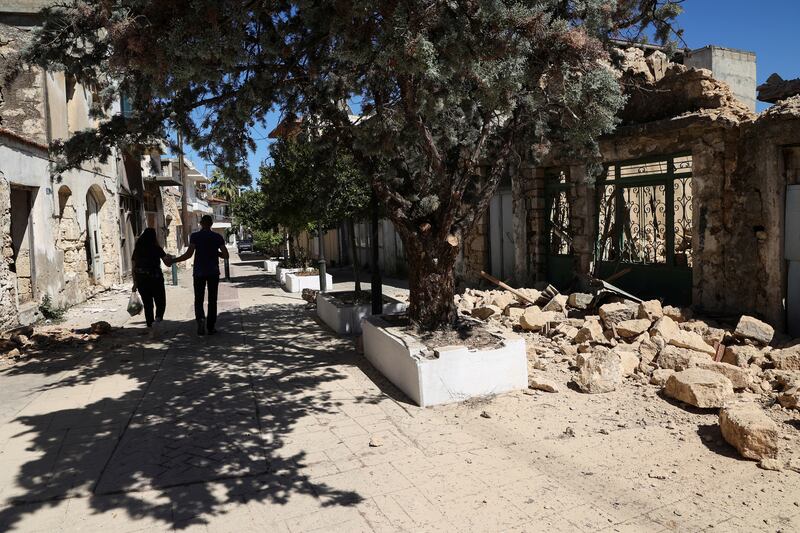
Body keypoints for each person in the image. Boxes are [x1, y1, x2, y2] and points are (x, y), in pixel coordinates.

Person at [172, 215, 229, 335]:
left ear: (201, 224)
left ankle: (201, 320)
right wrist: (216, 253)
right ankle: (211, 326)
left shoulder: (195, 236)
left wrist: (174, 261)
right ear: (211, 224)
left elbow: (188, 254)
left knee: (198, 299)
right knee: (212, 300)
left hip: (199, 272)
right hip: (213, 272)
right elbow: (226, 255)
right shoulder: (217, 237)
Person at [131, 228, 173, 328]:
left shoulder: (137, 250)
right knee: (160, 302)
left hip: (142, 280)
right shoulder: (156, 248)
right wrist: (171, 258)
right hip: (156, 279)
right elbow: (167, 263)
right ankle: (158, 320)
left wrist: (135, 283)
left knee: (148, 304)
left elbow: (134, 267)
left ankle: (150, 325)